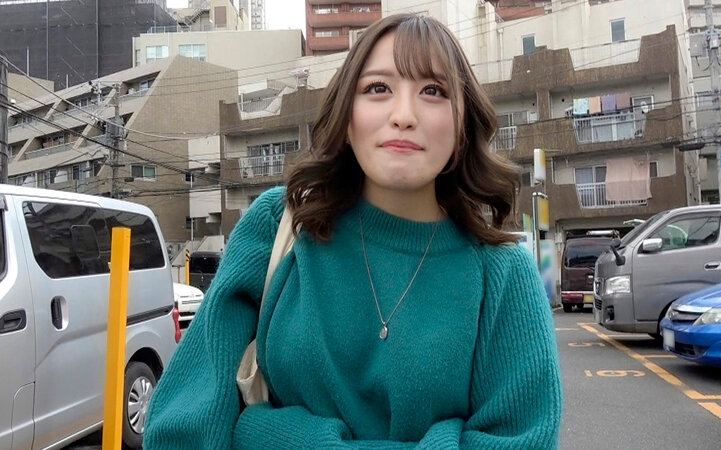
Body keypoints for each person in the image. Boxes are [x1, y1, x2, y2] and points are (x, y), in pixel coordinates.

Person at [144, 13, 562, 449]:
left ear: (461, 125)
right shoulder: (279, 228)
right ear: (346, 117)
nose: (404, 115)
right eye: (378, 88)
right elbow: (181, 426)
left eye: (433, 91)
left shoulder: (503, 275)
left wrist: (269, 435)